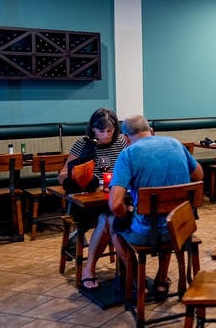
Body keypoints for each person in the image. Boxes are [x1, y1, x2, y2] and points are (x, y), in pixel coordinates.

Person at [107, 115, 204, 294]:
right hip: (181, 229)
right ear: (152, 131)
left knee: (113, 225)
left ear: (126, 138)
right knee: (168, 217)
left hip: (147, 235)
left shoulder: (128, 154)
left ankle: (138, 280)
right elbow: (199, 175)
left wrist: (128, 215)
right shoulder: (175, 144)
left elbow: (115, 204)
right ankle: (161, 280)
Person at [61, 107, 128, 292]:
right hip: (89, 200)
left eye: (109, 130)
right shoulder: (82, 144)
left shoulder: (121, 143)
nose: (105, 135)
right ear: (92, 129)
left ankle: (115, 271)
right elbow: (62, 175)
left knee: (113, 216)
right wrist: (77, 173)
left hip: (113, 195)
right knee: (107, 217)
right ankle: (91, 269)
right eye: (100, 131)